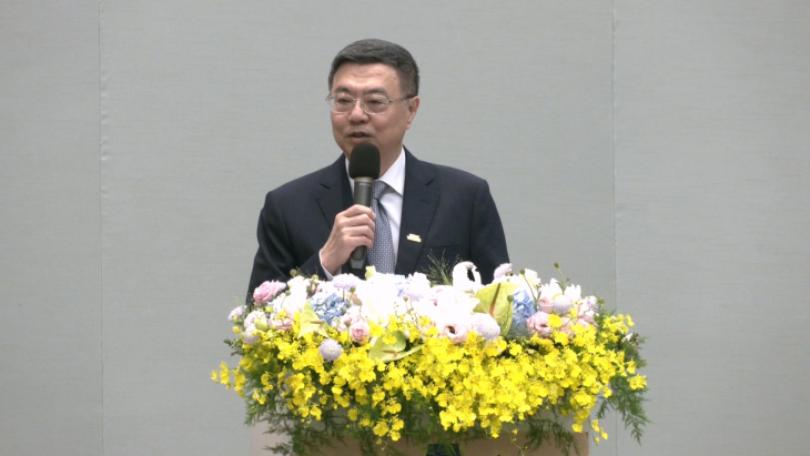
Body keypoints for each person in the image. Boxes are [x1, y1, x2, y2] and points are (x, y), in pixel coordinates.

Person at [247, 38, 508, 295]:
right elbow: (257, 314)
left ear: (411, 110)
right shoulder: (287, 207)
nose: (356, 115)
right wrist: (325, 261)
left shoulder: (464, 198)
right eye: (343, 100)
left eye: (374, 102)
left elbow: (501, 306)